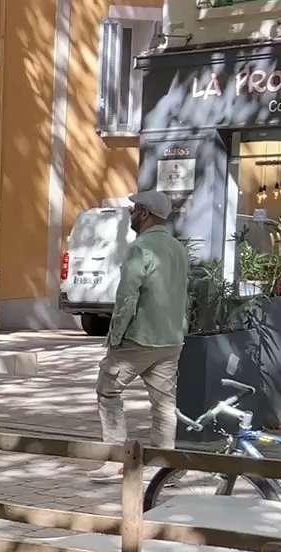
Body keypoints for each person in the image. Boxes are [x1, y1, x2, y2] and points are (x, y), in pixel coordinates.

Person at [93, 190, 189, 481]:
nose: (131, 213)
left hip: (139, 338)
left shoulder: (141, 249)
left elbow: (126, 299)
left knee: (107, 389)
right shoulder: (177, 248)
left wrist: (115, 336)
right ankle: (165, 468)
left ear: (145, 214)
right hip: (172, 338)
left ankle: (115, 459)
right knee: (164, 404)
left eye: (135, 209)